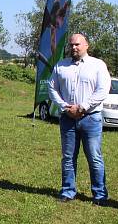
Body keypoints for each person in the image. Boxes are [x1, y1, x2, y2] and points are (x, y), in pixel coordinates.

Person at [47, 33, 111, 205]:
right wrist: (65, 107)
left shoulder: (97, 65)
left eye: (78, 44)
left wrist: (82, 107)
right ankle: (68, 191)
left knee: (94, 157)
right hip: (68, 118)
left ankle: (99, 194)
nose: (74, 47)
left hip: (91, 118)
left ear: (86, 45)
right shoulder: (61, 66)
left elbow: (103, 90)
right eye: (72, 45)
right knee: (68, 157)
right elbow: (52, 88)